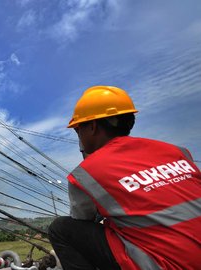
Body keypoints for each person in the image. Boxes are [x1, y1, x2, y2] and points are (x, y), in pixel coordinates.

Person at [48, 85, 201, 269]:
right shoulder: (175, 150)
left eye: (77, 128)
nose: (78, 135)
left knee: (61, 229)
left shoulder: (86, 173)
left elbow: (83, 220)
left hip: (163, 264)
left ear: (92, 127)